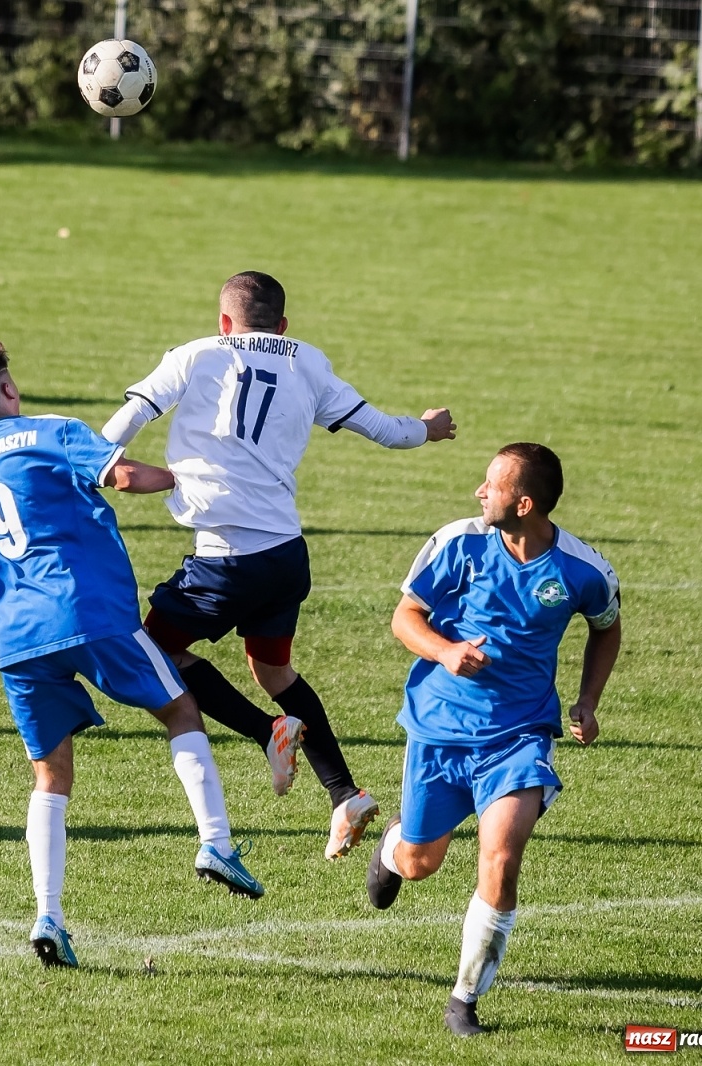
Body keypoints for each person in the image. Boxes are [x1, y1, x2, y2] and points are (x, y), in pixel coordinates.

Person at [101, 271, 456, 860]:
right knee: (275, 673)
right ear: (283, 325)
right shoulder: (308, 362)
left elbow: (131, 416)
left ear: (224, 321)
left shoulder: (196, 355)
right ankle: (344, 795)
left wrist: (83, 466)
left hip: (227, 559)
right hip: (286, 556)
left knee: (152, 651)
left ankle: (267, 732)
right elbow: (387, 432)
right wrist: (429, 429)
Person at [0, 341, 264, 970]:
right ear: (6, 390)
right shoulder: (50, 432)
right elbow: (123, 475)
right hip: (84, 609)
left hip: (14, 637)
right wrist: (194, 478)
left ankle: (49, 915)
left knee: (51, 776)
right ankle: (216, 842)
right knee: (181, 709)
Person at [366, 443, 621, 1036]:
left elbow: (606, 629)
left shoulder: (582, 570)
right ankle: (394, 847)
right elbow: (407, 618)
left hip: (519, 735)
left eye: (492, 485)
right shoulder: (459, 542)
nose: (480, 493)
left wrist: (586, 702)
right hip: (439, 728)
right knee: (422, 862)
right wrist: (445, 650)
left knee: (501, 860)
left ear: (524, 503)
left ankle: (463, 1001)